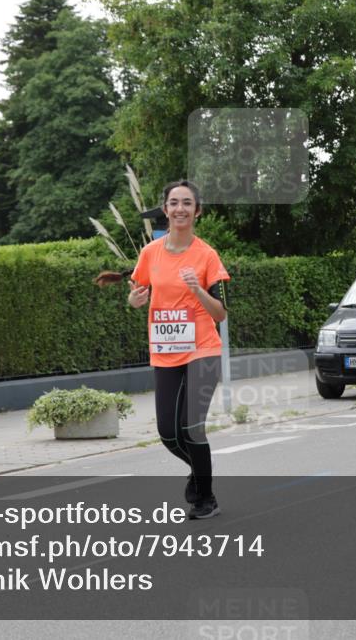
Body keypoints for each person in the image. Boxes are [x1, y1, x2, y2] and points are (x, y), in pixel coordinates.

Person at [127, 180, 230, 518]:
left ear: (197, 211)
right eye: (174, 202)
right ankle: (200, 475)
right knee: (168, 433)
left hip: (203, 349)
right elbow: (137, 291)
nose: (180, 208)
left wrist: (198, 289)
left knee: (191, 427)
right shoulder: (149, 253)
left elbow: (221, 312)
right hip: (166, 350)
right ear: (166, 209)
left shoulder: (207, 255)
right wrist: (134, 300)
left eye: (187, 203)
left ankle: (206, 498)